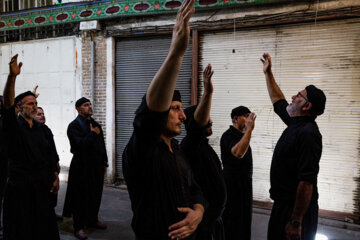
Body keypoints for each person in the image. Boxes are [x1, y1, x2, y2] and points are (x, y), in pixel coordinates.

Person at [122, 0, 207, 239]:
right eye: (176, 109)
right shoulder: (141, 151)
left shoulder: (177, 150)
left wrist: (198, 213)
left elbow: (195, 190)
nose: (183, 116)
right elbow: (147, 119)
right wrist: (177, 52)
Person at [261, 52, 326, 240]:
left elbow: (307, 181)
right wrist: (268, 73)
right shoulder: (295, 123)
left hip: (297, 213)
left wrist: (296, 221)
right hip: (283, 207)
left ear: (306, 106)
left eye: (298, 96)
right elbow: (278, 101)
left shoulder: (309, 134)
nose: (293, 96)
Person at [2, 54, 60, 240]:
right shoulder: (13, 128)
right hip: (20, 191)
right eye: (30, 104)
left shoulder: (44, 130)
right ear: (20, 107)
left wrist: (56, 177)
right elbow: (7, 105)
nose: (35, 107)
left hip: (42, 189)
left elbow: (52, 157)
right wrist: (12, 77)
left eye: (36, 103)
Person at [181, 64, 227, 240]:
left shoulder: (203, 146)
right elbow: (196, 127)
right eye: (206, 118)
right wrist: (207, 93)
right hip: (203, 221)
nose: (211, 121)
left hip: (213, 219)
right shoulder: (191, 144)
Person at [63, 97, 108, 240]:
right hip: (81, 167)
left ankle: (92, 219)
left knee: (95, 194)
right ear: (78, 109)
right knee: (80, 197)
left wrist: (105, 162)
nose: (89, 107)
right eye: (85, 105)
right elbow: (78, 146)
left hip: (96, 167)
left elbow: (102, 146)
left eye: (90, 104)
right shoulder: (73, 126)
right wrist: (92, 134)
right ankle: (79, 227)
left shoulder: (95, 124)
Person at [220, 104, 256, 240]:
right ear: (235, 119)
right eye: (246, 116)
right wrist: (248, 131)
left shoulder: (243, 137)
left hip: (244, 189)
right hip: (232, 189)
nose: (249, 120)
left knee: (243, 226)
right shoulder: (228, 136)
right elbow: (238, 153)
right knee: (232, 227)